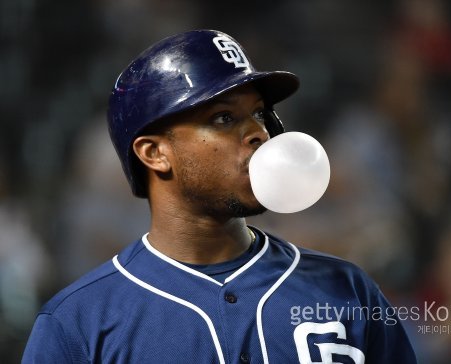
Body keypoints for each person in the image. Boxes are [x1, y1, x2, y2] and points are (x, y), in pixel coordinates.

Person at [22, 29, 417, 363]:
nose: (260, 133)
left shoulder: (347, 289)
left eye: (259, 113)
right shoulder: (78, 323)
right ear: (154, 153)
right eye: (223, 117)